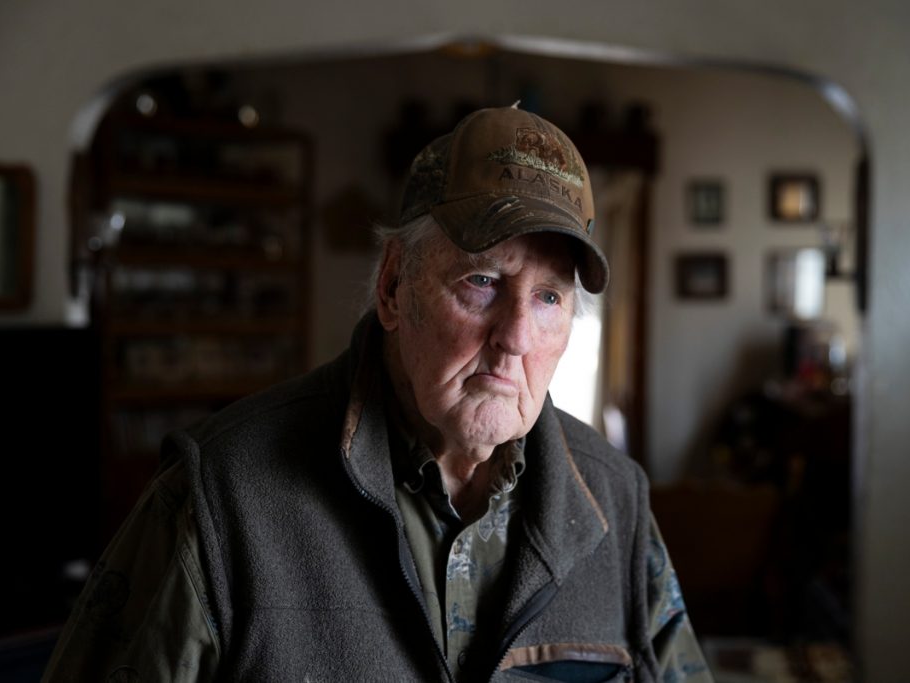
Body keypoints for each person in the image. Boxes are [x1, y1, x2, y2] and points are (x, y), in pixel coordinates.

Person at [43, 105, 712, 682]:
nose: (515, 336)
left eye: (547, 297)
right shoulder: (220, 495)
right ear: (394, 285)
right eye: (481, 282)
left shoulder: (615, 503)